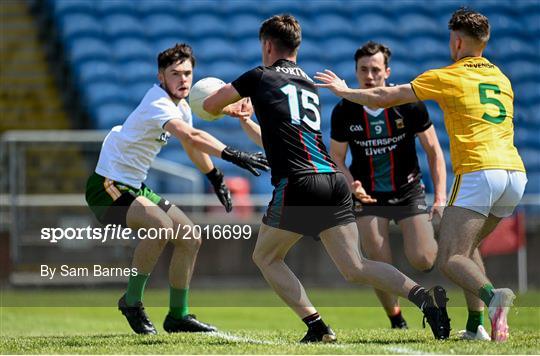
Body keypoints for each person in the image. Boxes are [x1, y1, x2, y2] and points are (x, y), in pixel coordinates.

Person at [203, 14, 450, 342]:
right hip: (333, 180)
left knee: (265, 256)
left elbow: (208, 103)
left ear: (266, 45)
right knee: (356, 267)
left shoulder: (259, 76)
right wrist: (246, 120)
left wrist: (226, 106)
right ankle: (424, 298)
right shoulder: (306, 82)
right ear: (298, 47)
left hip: (300, 183)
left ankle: (317, 327)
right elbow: (280, 141)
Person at [315, 8, 527, 342]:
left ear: (456, 41)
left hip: (478, 170)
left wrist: (342, 90)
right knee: (468, 248)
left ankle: (494, 298)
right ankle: (476, 327)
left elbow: (388, 97)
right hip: (515, 174)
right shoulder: (501, 77)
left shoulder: (448, 74)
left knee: (450, 257)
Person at [85, 43, 269, 335]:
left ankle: (178, 316)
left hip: (134, 186)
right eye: (175, 74)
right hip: (107, 185)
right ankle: (131, 301)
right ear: (161, 77)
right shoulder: (157, 102)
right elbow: (191, 135)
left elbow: (190, 145)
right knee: (159, 226)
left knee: (190, 238)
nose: (183, 80)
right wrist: (234, 154)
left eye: (187, 73)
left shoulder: (182, 106)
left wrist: (215, 176)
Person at [330, 41, 447, 330]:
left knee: (423, 258)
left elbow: (434, 151)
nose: (369, 76)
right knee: (377, 259)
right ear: (355, 72)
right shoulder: (344, 110)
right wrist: (349, 183)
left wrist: (440, 197)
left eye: (375, 70)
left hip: (408, 189)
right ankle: (396, 318)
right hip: (368, 195)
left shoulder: (407, 103)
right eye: (363, 70)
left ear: (387, 72)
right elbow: (336, 156)